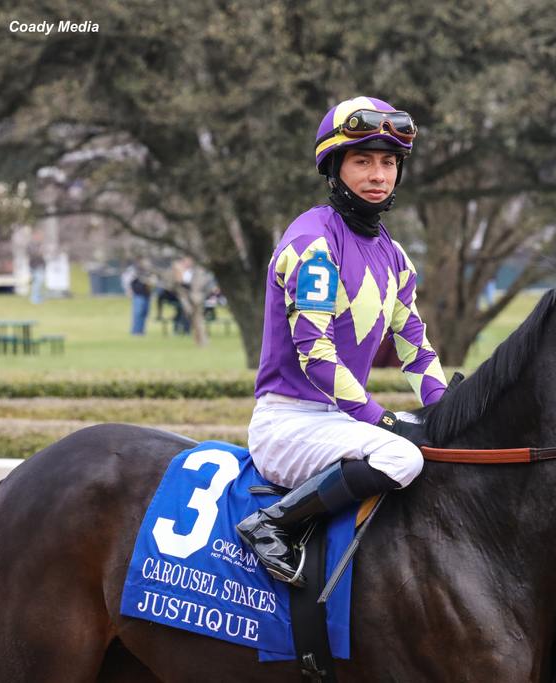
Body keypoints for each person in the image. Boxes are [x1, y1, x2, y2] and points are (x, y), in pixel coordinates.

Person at [237, 96, 448, 586]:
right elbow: (317, 358)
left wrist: (447, 411)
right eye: (363, 161)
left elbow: (415, 345)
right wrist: (386, 419)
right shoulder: (314, 244)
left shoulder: (394, 256)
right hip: (289, 423)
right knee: (402, 454)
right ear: (334, 167)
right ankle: (272, 524)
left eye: (389, 162)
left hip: (338, 423)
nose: (378, 175)